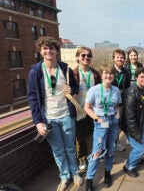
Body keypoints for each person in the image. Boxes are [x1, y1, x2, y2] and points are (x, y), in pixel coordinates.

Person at [27, 36, 83, 191]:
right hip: (49, 119)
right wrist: (38, 121)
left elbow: (76, 88)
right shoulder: (35, 71)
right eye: (45, 48)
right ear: (41, 51)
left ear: (56, 51)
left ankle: (75, 173)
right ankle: (65, 177)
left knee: (70, 148)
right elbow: (32, 98)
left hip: (66, 115)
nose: (48, 51)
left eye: (51, 48)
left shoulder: (65, 68)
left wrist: (72, 89)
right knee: (58, 150)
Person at [84, 65, 122, 190]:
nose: (108, 76)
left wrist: (117, 116)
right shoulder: (94, 90)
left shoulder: (115, 90)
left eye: (111, 73)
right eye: (106, 73)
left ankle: (107, 173)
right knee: (97, 151)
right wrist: (96, 118)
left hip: (112, 122)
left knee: (111, 149)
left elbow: (117, 105)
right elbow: (87, 107)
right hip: (101, 122)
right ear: (101, 75)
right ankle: (89, 179)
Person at [123, 67, 144, 178]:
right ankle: (129, 166)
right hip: (135, 126)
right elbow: (130, 117)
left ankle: (137, 157)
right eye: (141, 77)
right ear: (136, 77)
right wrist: (136, 134)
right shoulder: (132, 92)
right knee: (140, 148)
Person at [73, 46, 101, 171]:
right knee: (80, 138)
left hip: (93, 110)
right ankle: (82, 159)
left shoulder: (95, 73)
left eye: (89, 55)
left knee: (96, 134)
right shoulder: (72, 73)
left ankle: (97, 154)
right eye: (83, 55)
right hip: (79, 111)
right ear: (77, 57)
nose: (86, 58)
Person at [111, 49, 131, 152]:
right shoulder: (109, 71)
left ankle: (116, 142)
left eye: (122, 57)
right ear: (113, 58)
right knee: (112, 124)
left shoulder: (126, 72)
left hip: (122, 102)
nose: (120, 59)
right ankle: (111, 144)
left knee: (119, 123)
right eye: (117, 57)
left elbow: (127, 87)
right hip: (110, 103)